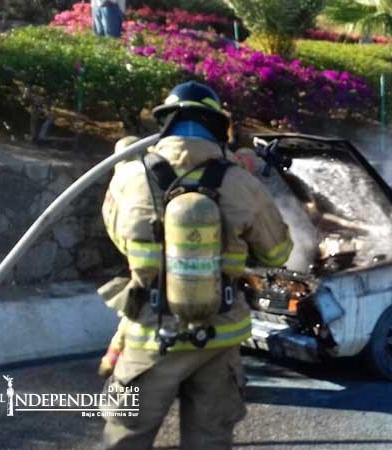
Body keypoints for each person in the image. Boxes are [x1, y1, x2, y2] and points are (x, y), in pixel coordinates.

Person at [98, 81, 293, 450]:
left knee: (123, 440)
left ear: (166, 122)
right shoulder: (239, 182)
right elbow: (277, 253)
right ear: (218, 125)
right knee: (210, 441)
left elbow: (115, 231)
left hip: (151, 336)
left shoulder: (129, 176)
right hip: (217, 340)